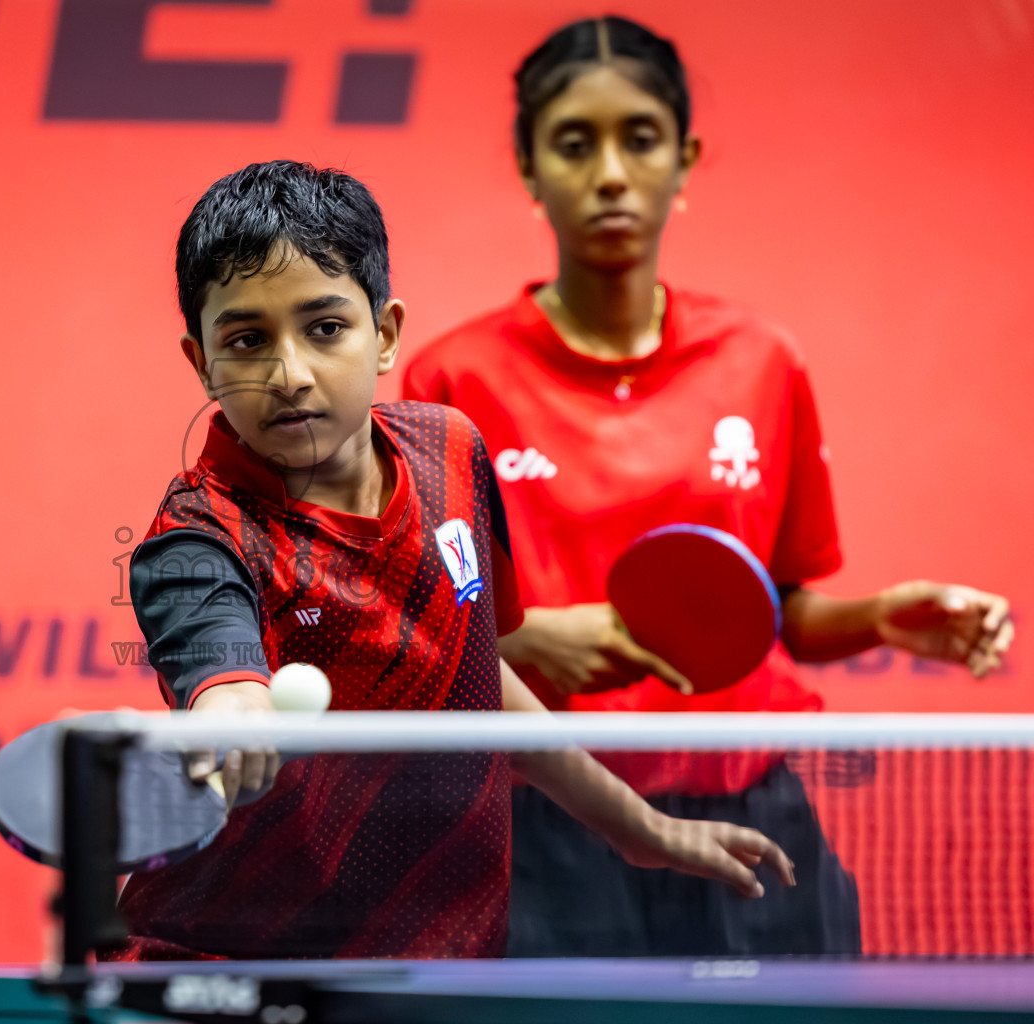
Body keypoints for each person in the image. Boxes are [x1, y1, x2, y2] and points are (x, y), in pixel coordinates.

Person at [402, 16, 1015, 957]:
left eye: (639, 139)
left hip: (753, 802)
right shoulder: (452, 381)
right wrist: (522, 638)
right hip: (555, 819)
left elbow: (778, 610)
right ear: (529, 167)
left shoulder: (761, 361)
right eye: (574, 143)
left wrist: (883, 618)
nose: (611, 172)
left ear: (683, 159)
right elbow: (422, 632)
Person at [105, 160, 794, 961]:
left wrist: (637, 828)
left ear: (387, 333)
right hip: (227, 973)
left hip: (429, 969)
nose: (290, 374)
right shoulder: (198, 538)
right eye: (248, 340)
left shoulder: (450, 450)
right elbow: (224, 682)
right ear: (202, 362)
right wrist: (232, 720)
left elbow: (474, 675)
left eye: (325, 328)